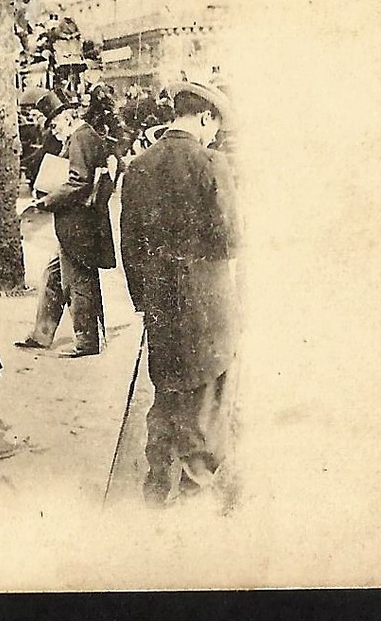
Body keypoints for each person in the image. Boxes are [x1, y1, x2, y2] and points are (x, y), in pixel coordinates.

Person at [118, 82, 240, 508]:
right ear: (205, 118)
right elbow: (230, 241)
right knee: (207, 395)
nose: (213, 136)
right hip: (209, 305)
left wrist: (143, 298)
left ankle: (157, 479)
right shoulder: (211, 163)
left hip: (160, 302)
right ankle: (194, 487)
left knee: (166, 390)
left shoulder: (138, 166)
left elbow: (129, 245)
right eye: (214, 128)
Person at [17, 91, 116, 357]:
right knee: (53, 276)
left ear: (67, 117)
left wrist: (45, 202)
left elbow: (78, 181)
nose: (53, 129)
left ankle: (87, 342)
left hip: (79, 227)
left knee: (78, 282)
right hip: (78, 225)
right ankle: (42, 334)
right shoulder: (81, 136)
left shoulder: (80, 138)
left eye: (54, 123)